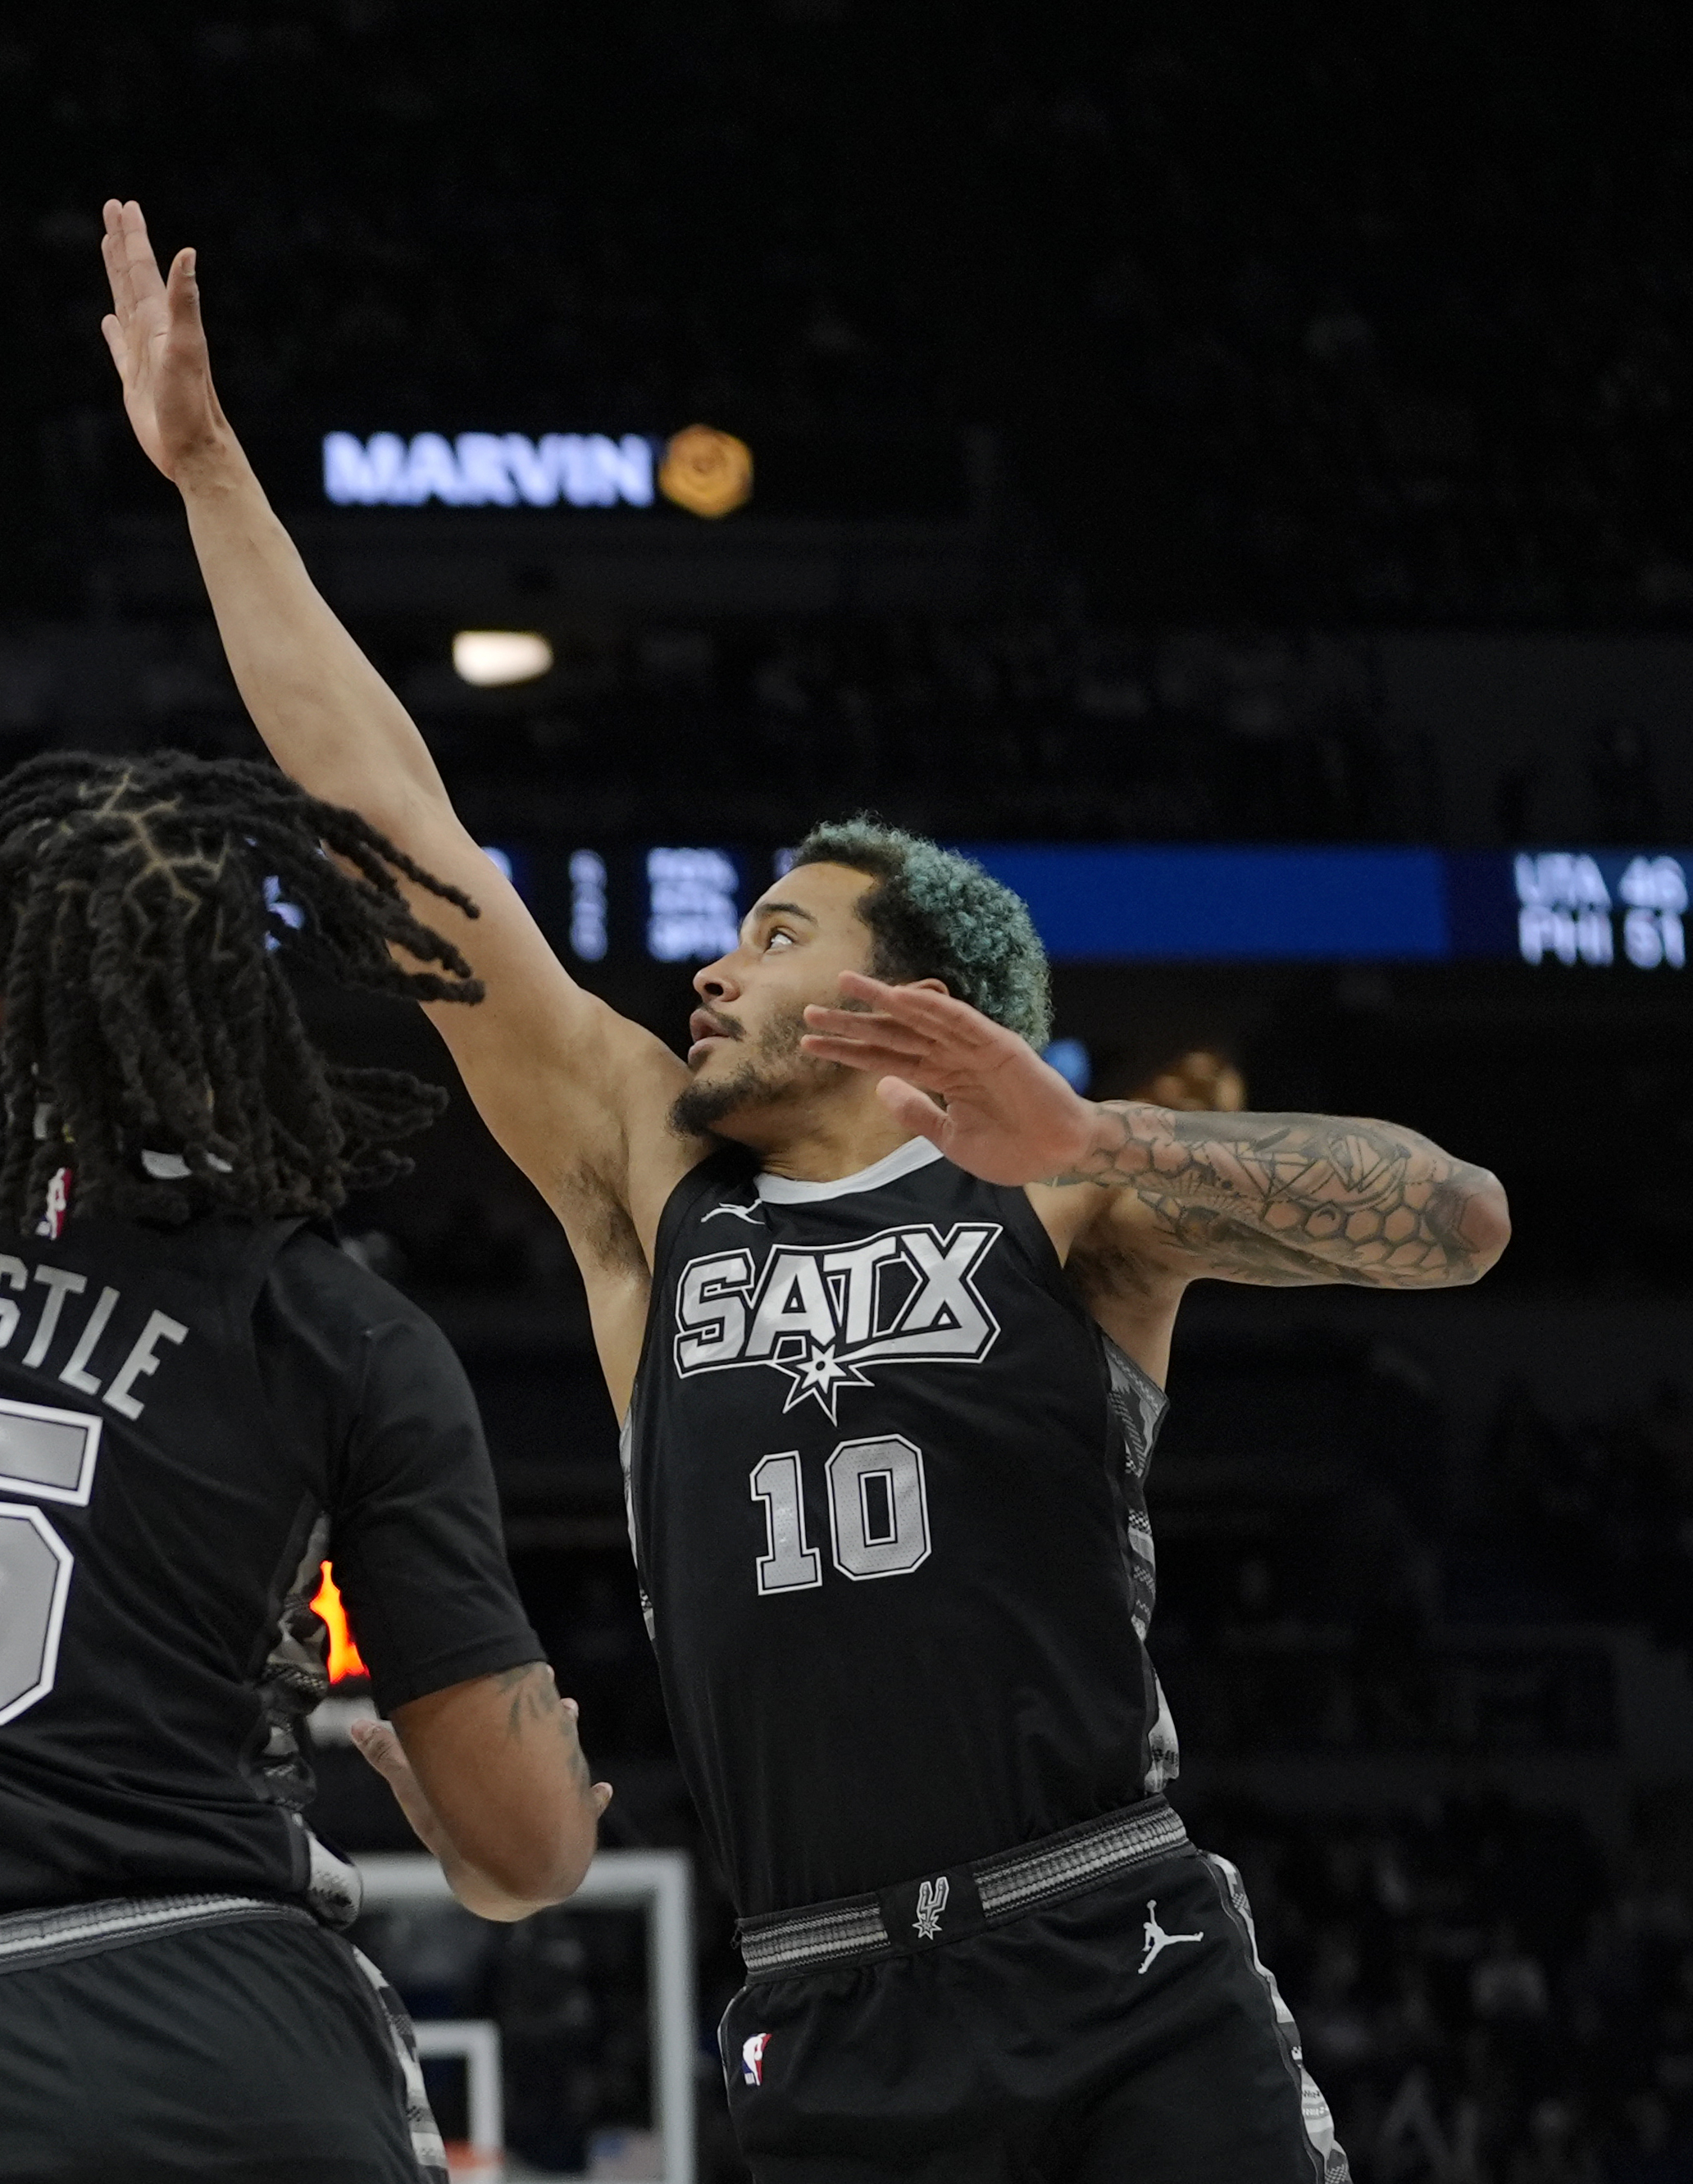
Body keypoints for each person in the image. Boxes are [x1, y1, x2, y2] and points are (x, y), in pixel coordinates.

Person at [95, 199, 1514, 2183]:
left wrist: (1101, 1137)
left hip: (1117, 1955)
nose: (713, 966)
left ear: (900, 1002)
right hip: (825, 2014)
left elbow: (1455, 1219)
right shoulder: (652, 1193)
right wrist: (211, 473)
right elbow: (399, 827)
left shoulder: (1068, 1209)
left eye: (770, 930)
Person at [0, 180, 604, 2184]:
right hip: (235, 2025)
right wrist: (524, 1776)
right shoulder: (331, 1319)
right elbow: (527, 1856)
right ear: (246, 1016)